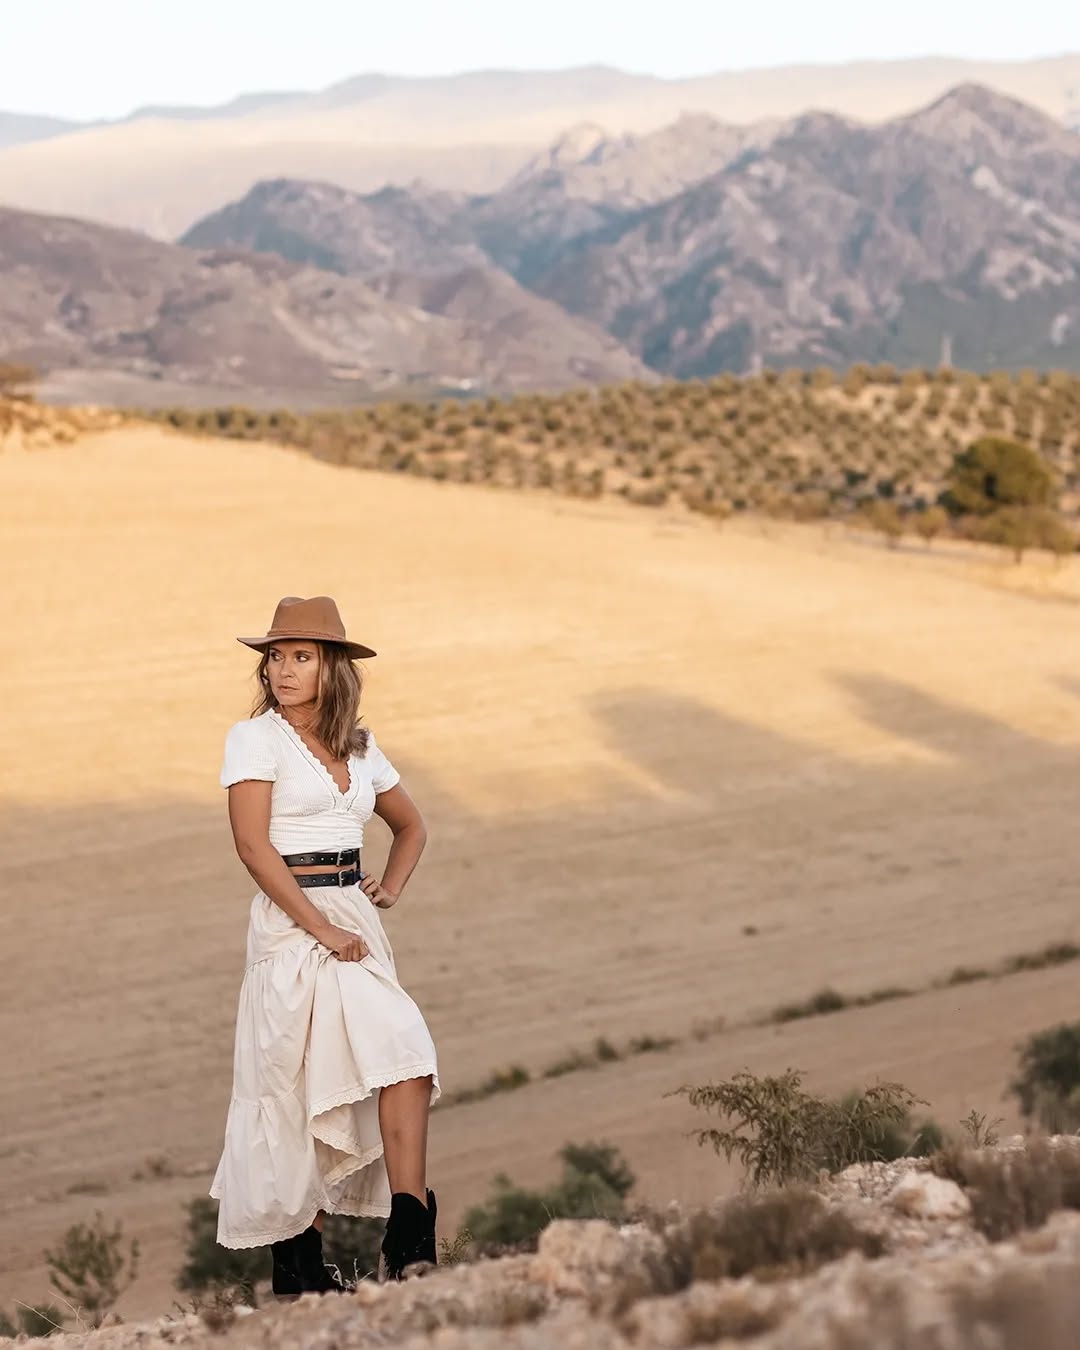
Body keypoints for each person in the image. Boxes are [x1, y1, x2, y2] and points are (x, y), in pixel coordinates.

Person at [209, 595, 440, 1296]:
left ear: (332, 667)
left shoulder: (363, 747)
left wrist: (390, 888)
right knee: (294, 1081)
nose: (282, 669)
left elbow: (413, 827)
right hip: (291, 923)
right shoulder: (255, 740)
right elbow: (252, 846)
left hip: (353, 922)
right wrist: (318, 926)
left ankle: (408, 1233)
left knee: (405, 1052)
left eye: (300, 656)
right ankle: (299, 1270)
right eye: (275, 656)